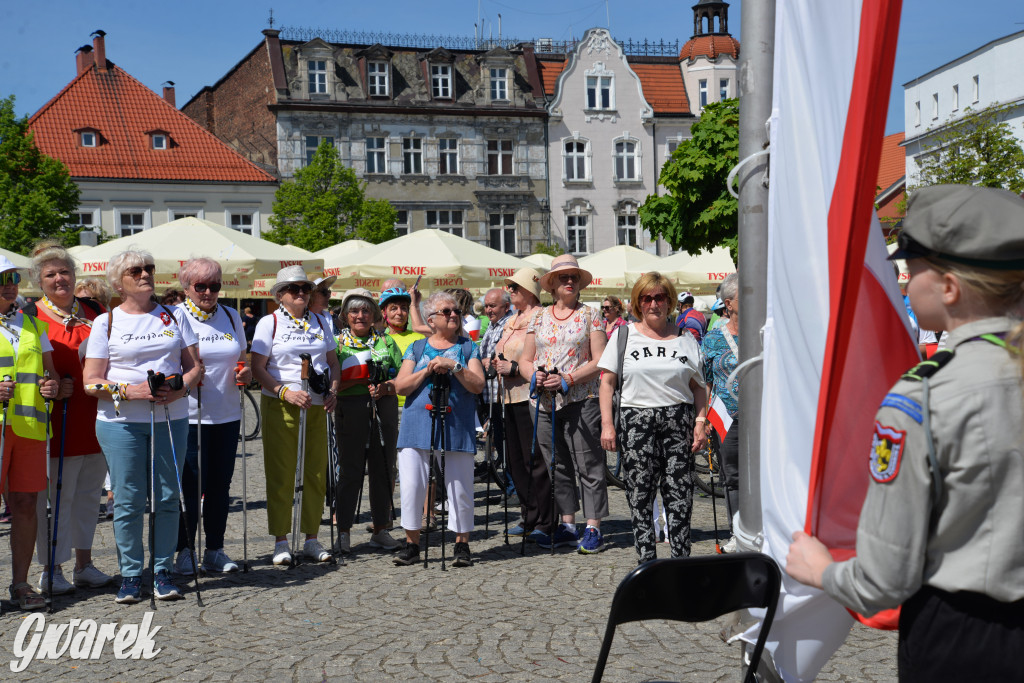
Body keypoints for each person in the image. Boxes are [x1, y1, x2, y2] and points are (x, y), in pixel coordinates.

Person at [786, 185, 1024, 680]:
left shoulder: (925, 398)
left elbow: (883, 580)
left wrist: (818, 570)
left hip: (967, 640)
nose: (905, 280)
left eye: (913, 268)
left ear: (950, 288)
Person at [83, 248, 202, 603]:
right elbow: (91, 382)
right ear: (119, 282)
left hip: (171, 416)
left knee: (167, 497)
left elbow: (196, 369)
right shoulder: (106, 322)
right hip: (120, 422)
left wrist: (179, 385)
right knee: (129, 500)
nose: (145, 274)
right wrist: (129, 390)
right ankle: (132, 574)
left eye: (149, 268)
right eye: (136, 270)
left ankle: (163, 569)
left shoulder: (175, 315)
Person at [598, 272, 708, 563]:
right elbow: (607, 383)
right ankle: (646, 566)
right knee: (640, 497)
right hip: (636, 421)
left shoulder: (686, 339)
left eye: (660, 297)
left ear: (670, 301)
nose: (653, 304)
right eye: (647, 298)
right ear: (638, 303)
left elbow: (699, 387)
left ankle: (680, 565)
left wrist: (700, 423)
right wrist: (607, 425)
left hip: (677, 421)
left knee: (680, 497)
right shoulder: (623, 336)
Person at [27, 242, 112, 596]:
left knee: (89, 496)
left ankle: (84, 564)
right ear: (40, 282)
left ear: (75, 275)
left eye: (64, 272)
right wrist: (45, 385)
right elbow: (26, 368)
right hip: (57, 422)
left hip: (98, 418)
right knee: (57, 499)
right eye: (50, 275)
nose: (59, 279)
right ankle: (52, 568)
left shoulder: (95, 309)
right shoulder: (31, 317)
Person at [250, 266, 340, 565]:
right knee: (282, 473)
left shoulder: (319, 321)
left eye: (305, 288)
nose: (301, 293)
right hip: (282, 403)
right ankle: (281, 540)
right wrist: (283, 392)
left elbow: (332, 362)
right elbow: (258, 368)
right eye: (293, 288)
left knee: (315, 472)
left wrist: (333, 390)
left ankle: (311, 537)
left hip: (316, 403)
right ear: (279, 295)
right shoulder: (269, 322)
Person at [519, 254, 610, 553]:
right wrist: (534, 377)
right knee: (555, 463)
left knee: (589, 463)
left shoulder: (591, 315)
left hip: (582, 398)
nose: (569, 282)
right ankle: (568, 523)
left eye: (573, 277)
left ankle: (593, 525)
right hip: (544, 401)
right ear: (553, 285)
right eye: (563, 278)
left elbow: (600, 360)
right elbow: (525, 359)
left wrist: (569, 378)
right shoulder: (538, 317)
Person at [392, 291, 484, 567]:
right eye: (446, 311)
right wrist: (427, 370)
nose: (454, 314)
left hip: (457, 422)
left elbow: (477, 385)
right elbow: (401, 386)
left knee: (460, 486)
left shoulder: (469, 348)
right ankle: (411, 543)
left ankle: (462, 544)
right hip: (416, 423)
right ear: (431, 320)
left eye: (456, 311)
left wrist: (454, 366)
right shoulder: (417, 348)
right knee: (411, 485)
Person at [171, 257, 250, 575]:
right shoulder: (174, 317)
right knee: (188, 485)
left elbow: (242, 359)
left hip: (226, 414)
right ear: (186, 286)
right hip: (188, 415)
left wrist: (245, 374)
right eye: (200, 286)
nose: (207, 291)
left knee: (220, 485)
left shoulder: (231, 316)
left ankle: (214, 549)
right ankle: (184, 550)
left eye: (214, 285)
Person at [0, 257, 62, 610]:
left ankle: (21, 584)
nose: (11, 283)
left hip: (28, 428)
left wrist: (51, 386)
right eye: (3, 278)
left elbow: (49, 373)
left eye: (14, 277)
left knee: (25, 505)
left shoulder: (32, 324)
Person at [333, 288, 403, 553]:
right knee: (350, 470)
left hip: (382, 405)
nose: (360, 315)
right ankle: (344, 531)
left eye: (365, 311)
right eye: (354, 311)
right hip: (349, 407)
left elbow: (402, 377)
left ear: (374, 314)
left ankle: (381, 529)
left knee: (383, 468)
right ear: (345, 315)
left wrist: (386, 386)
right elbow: (331, 381)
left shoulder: (387, 342)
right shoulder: (337, 343)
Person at [493, 268, 550, 540]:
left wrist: (514, 368)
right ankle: (528, 514)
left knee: (534, 459)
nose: (510, 291)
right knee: (515, 460)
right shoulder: (512, 319)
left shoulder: (540, 317)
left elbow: (544, 356)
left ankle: (545, 519)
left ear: (529, 290)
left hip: (530, 396)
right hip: (508, 397)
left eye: (514, 287)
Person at [701, 273, 740, 548]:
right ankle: (738, 533)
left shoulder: (764, 331)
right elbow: (705, 382)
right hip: (728, 418)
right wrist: (703, 418)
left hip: (763, 419)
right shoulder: (713, 338)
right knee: (733, 476)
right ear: (729, 303)